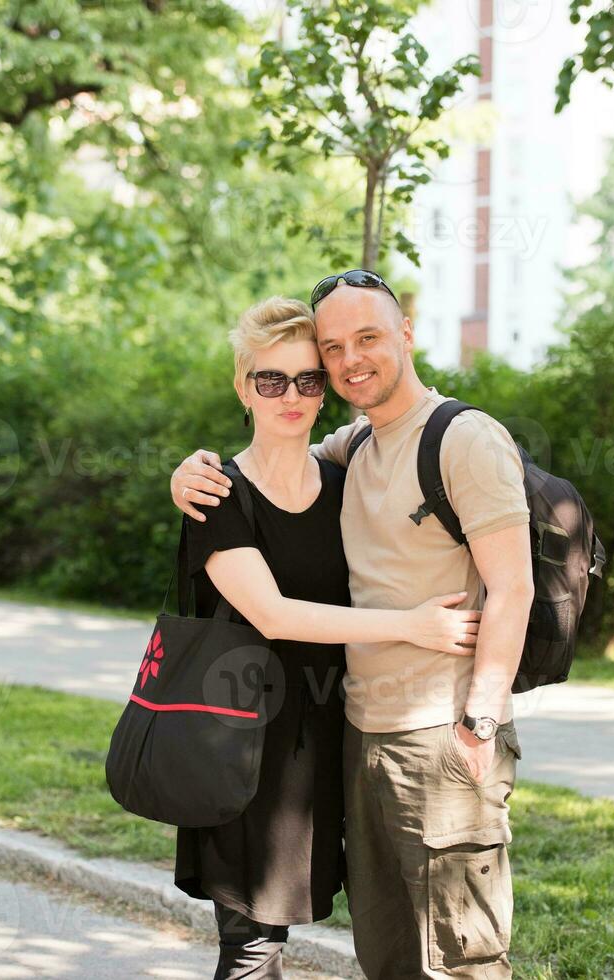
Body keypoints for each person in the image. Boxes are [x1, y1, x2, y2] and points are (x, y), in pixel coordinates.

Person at [172, 271, 534, 979]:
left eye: (365, 338)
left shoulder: (463, 440)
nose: (342, 364)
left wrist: (482, 721)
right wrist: (187, 473)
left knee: (458, 960)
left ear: (404, 332)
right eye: (331, 348)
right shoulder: (356, 447)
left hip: (442, 735)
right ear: (244, 384)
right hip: (349, 739)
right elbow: (273, 491)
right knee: (390, 956)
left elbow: (512, 587)